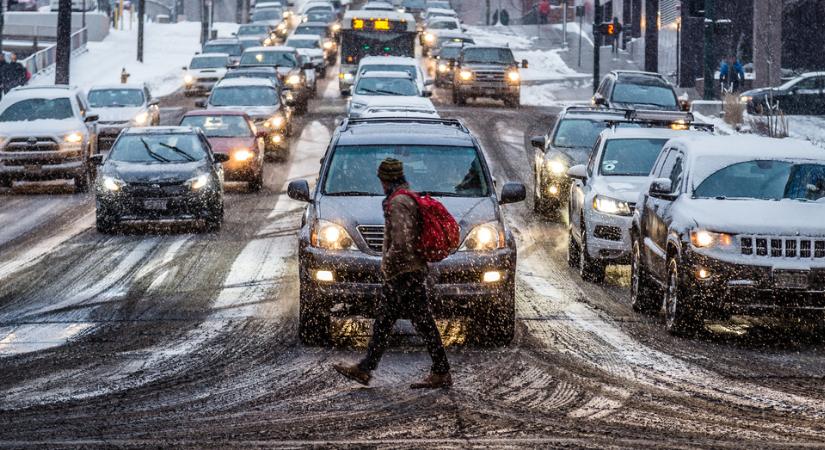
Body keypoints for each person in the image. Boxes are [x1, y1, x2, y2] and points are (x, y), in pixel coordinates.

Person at [333, 158, 452, 389]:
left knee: (400, 322)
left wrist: (389, 266)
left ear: (384, 179)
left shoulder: (398, 203)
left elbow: (401, 241)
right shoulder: (403, 198)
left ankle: (368, 369)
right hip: (409, 270)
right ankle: (369, 368)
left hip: (404, 273)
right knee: (400, 322)